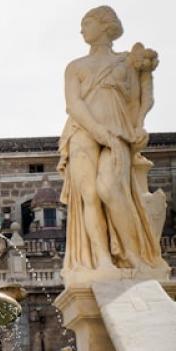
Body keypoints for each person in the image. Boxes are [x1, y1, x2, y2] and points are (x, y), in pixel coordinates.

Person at [58, 7, 167, 281]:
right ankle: (103, 261)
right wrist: (97, 131)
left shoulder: (126, 63)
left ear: (105, 26)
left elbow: (141, 99)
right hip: (82, 131)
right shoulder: (75, 67)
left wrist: (140, 123)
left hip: (118, 131)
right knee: (89, 195)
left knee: (111, 189)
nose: (82, 29)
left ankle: (133, 255)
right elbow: (74, 104)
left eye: (87, 23)